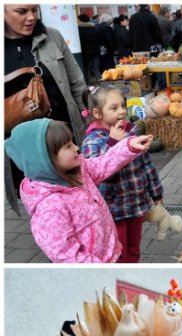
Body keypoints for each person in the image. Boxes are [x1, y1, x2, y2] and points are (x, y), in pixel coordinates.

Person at [5, 119, 151, 262]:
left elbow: (102, 165)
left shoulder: (78, 169)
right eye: (68, 146)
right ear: (45, 160)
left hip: (109, 253)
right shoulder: (49, 207)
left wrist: (128, 146)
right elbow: (66, 254)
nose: (76, 148)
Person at [5, 4, 88, 208]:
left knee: (77, 194)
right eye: (22, 11)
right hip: (22, 148)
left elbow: (77, 84)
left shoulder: (52, 37)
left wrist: (88, 122)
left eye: (35, 10)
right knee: (43, 206)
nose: (31, 17)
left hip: (63, 138)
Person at [81, 86, 163, 263]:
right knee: (119, 253)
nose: (121, 112)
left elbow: (146, 164)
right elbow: (97, 174)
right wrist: (113, 143)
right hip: (113, 211)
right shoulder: (92, 141)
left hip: (136, 204)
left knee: (134, 250)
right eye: (113, 108)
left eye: (122, 106)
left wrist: (156, 193)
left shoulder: (131, 132)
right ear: (97, 113)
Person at [77, 14, 100, 84]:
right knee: (96, 69)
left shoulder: (78, 30)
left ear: (80, 20)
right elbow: (99, 40)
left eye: (77, 19)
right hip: (95, 52)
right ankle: (101, 83)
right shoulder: (94, 28)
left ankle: (87, 85)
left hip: (85, 53)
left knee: (86, 70)